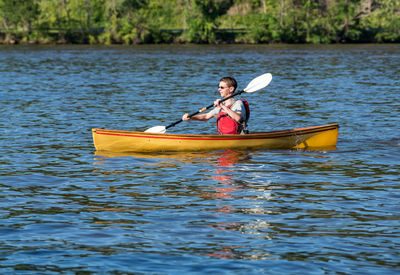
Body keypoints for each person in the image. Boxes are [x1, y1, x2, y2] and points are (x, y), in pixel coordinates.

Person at [182, 76, 249, 135]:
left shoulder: (238, 103)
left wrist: (222, 106)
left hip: (238, 137)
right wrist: (191, 117)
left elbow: (238, 118)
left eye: (222, 87)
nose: (219, 89)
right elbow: (206, 116)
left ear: (231, 89)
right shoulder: (222, 104)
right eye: (219, 87)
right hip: (224, 137)